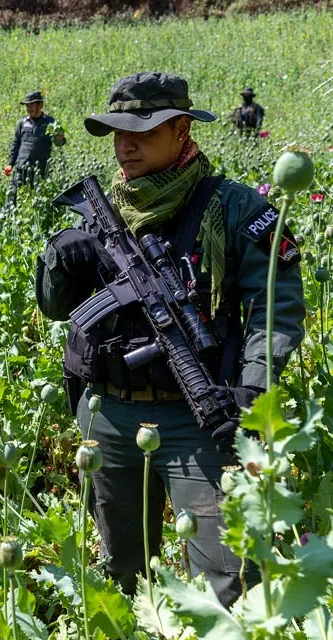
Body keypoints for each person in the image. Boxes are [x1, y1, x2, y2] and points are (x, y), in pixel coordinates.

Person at [34, 72, 304, 607]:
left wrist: (252, 391)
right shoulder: (102, 216)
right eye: (115, 132)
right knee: (121, 576)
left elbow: (276, 313)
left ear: (182, 129)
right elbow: (56, 309)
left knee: (229, 582)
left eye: (141, 131)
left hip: (200, 420)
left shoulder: (238, 211)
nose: (124, 145)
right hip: (109, 417)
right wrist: (59, 264)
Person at [6, 91, 66, 202]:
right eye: (27, 106)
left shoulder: (50, 123)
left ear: (40, 105)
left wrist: (60, 138)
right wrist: (10, 163)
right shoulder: (22, 123)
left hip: (40, 170)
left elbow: (60, 143)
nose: (29, 108)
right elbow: (16, 144)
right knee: (12, 196)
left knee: (37, 200)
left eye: (32, 105)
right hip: (22, 168)